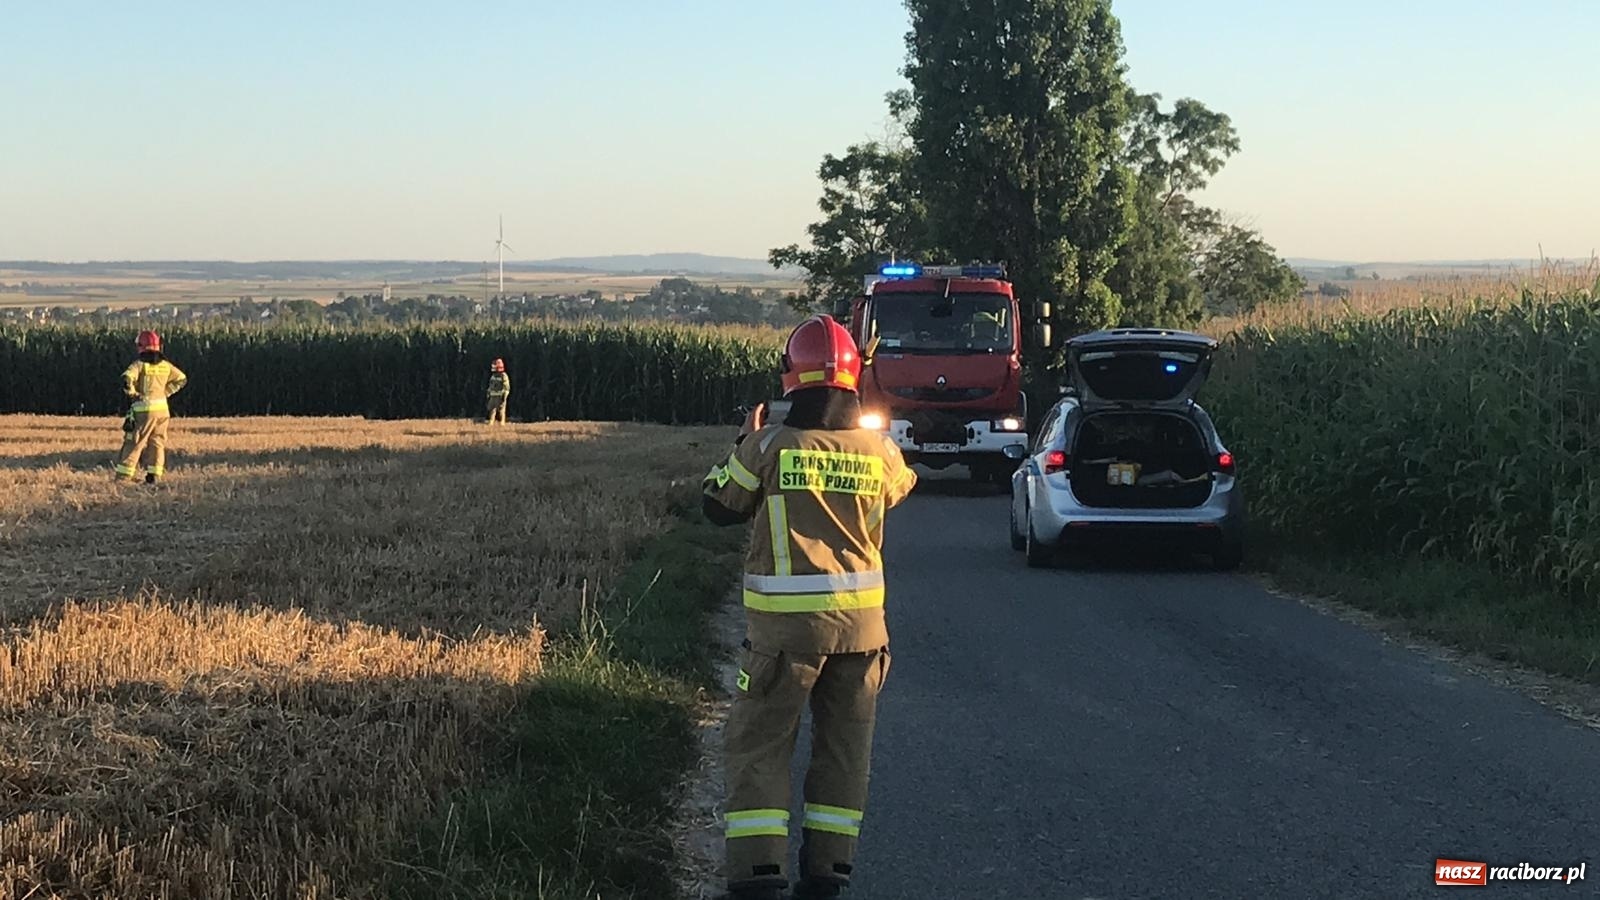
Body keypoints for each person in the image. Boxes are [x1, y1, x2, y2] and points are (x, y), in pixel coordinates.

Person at [702, 314, 918, 900]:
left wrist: (739, 441)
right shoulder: (880, 453)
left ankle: (758, 877)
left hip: (784, 637)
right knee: (844, 755)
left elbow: (719, 505)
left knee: (759, 748)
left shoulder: (769, 444)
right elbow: (900, 488)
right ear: (853, 379)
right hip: (863, 637)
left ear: (791, 378)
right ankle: (827, 874)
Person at [115, 329, 187, 484]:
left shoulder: (139, 365)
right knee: (157, 443)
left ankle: (123, 477)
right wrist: (165, 393)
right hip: (162, 410)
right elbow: (181, 379)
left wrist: (132, 393)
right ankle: (154, 475)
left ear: (141, 346)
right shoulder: (166, 365)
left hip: (144, 411)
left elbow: (127, 379)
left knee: (134, 443)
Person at [485, 358, 510, 424]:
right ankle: (491, 422)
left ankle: (502, 422)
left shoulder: (503, 376)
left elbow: (506, 387)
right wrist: (488, 393)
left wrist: (504, 395)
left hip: (500, 396)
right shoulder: (493, 376)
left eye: (495, 366)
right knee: (492, 410)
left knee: (501, 410)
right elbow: (491, 385)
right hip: (493, 396)